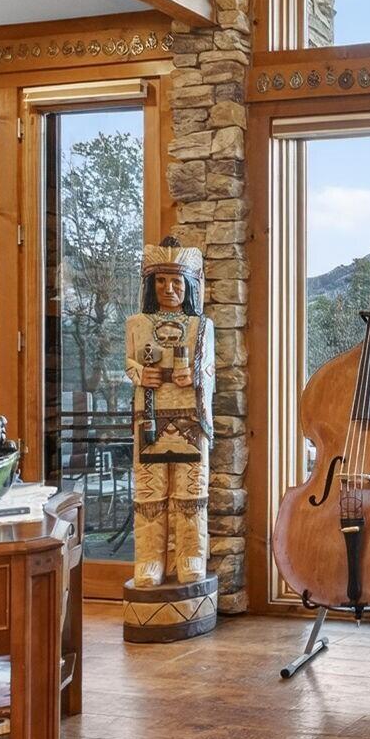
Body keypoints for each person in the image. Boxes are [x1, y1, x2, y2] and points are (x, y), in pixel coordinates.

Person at [125, 236, 214, 589]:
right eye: (161, 281)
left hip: (190, 418)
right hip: (148, 417)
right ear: (150, 284)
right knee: (150, 491)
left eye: (177, 281)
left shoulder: (202, 326)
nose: (169, 288)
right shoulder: (136, 324)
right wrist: (139, 373)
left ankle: (191, 553)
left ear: (189, 285)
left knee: (191, 490)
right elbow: (130, 363)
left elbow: (209, 372)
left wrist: (193, 377)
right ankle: (149, 557)